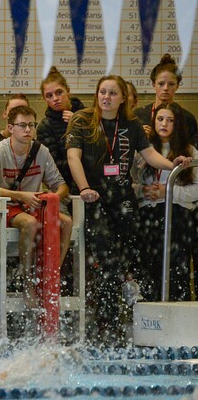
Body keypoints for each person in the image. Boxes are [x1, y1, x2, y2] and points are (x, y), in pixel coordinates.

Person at [65, 75, 191, 345]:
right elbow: (73, 156)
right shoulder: (83, 120)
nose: (106, 97)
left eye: (112, 93)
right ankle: (107, 325)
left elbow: (149, 155)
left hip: (122, 199)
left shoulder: (131, 124)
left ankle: (139, 321)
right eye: (102, 92)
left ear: (123, 98)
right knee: (107, 263)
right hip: (94, 198)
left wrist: (173, 164)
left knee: (135, 256)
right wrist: (84, 187)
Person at [0, 106, 72, 307]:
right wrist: (19, 195)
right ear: (10, 128)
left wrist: (51, 199)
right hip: (7, 205)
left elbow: (62, 186)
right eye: (22, 125)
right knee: (30, 224)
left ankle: (51, 274)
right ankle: (26, 280)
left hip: (34, 202)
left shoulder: (41, 151)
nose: (27, 130)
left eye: (31, 125)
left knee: (66, 222)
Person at [131, 102, 198, 302]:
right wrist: (142, 191)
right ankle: (149, 315)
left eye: (170, 120)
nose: (164, 124)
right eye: (160, 119)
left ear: (178, 125)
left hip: (178, 216)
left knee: (177, 269)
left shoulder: (190, 152)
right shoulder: (141, 151)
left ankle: (178, 316)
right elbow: (130, 184)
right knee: (150, 266)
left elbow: (196, 189)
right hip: (148, 215)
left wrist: (168, 192)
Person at [37, 67, 85, 193]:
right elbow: (53, 164)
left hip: (95, 180)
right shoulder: (45, 126)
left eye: (59, 92)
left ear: (68, 91)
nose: (55, 99)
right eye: (49, 96)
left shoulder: (88, 115)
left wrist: (78, 124)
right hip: (66, 187)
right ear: (44, 98)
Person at [134, 54, 197, 143]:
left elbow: (192, 152)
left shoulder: (187, 119)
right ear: (153, 85)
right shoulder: (138, 116)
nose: (166, 88)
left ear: (177, 86)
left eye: (171, 84)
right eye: (161, 84)